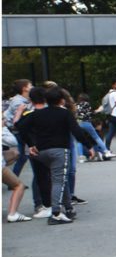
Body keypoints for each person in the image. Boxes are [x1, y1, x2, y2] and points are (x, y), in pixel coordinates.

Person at [16, 88, 78, 224]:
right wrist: (89, 144)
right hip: (57, 149)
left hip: (36, 151)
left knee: (43, 178)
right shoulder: (60, 112)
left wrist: (31, 144)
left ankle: (47, 206)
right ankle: (57, 211)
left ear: (31, 100)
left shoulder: (31, 113)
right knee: (59, 179)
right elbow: (75, 130)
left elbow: (19, 127)